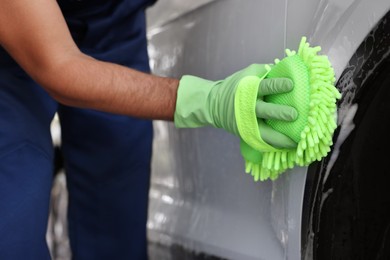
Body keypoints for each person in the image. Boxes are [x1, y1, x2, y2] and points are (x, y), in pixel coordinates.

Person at [0, 0, 297, 259]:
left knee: (117, 204)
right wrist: (207, 99)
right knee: (11, 218)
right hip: (11, 46)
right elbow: (59, 66)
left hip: (111, 20)